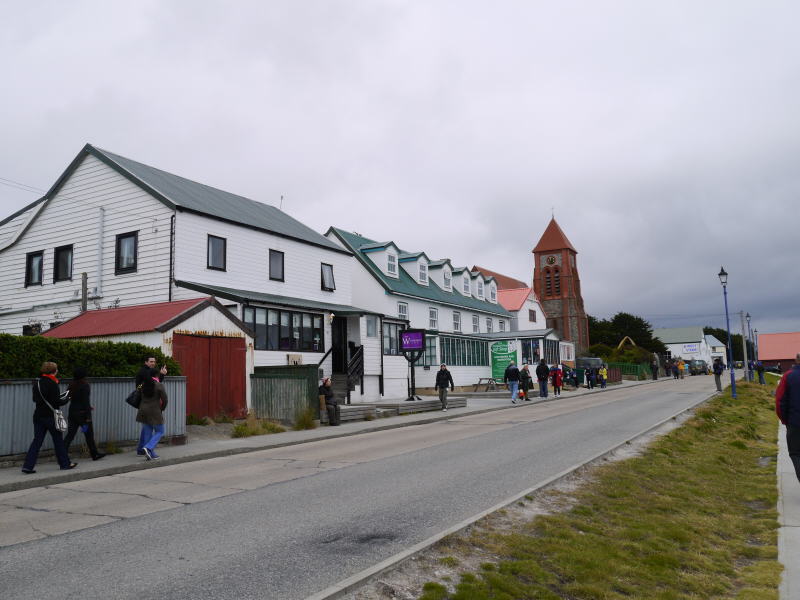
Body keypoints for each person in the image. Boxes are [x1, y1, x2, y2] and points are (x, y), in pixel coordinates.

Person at [22, 362, 77, 474]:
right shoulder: (53, 383)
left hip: (38, 416)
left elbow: (35, 399)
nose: (57, 371)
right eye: (56, 369)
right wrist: (67, 398)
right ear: (54, 371)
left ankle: (28, 466)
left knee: (36, 441)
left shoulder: (37, 383)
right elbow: (57, 402)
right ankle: (65, 464)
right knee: (58, 441)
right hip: (51, 417)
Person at [63, 366, 105, 461]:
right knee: (88, 434)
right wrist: (88, 416)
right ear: (83, 375)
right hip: (83, 415)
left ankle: (62, 453)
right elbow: (85, 401)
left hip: (73, 413)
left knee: (70, 435)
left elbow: (70, 398)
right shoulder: (85, 385)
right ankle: (94, 454)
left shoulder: (71, 385)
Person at [135, 356, 167, 456]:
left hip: (143, 406)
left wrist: (161, 375)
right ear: (146, 362)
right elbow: (156, 386)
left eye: (154, 362)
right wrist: (162, 408)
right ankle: (149, 449)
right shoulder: (144, 371)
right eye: (151, 361)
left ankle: (141, 449)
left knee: (146, 429)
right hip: (151, 406)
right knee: (159, 430)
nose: (153, 363)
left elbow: (154, 384)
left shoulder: (148, 378)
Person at [776, 353, 800, 483]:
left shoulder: (788, 376)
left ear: (796, 360)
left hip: (794, 422)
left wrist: (785, 420)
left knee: (796, 453)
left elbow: (780, 401)